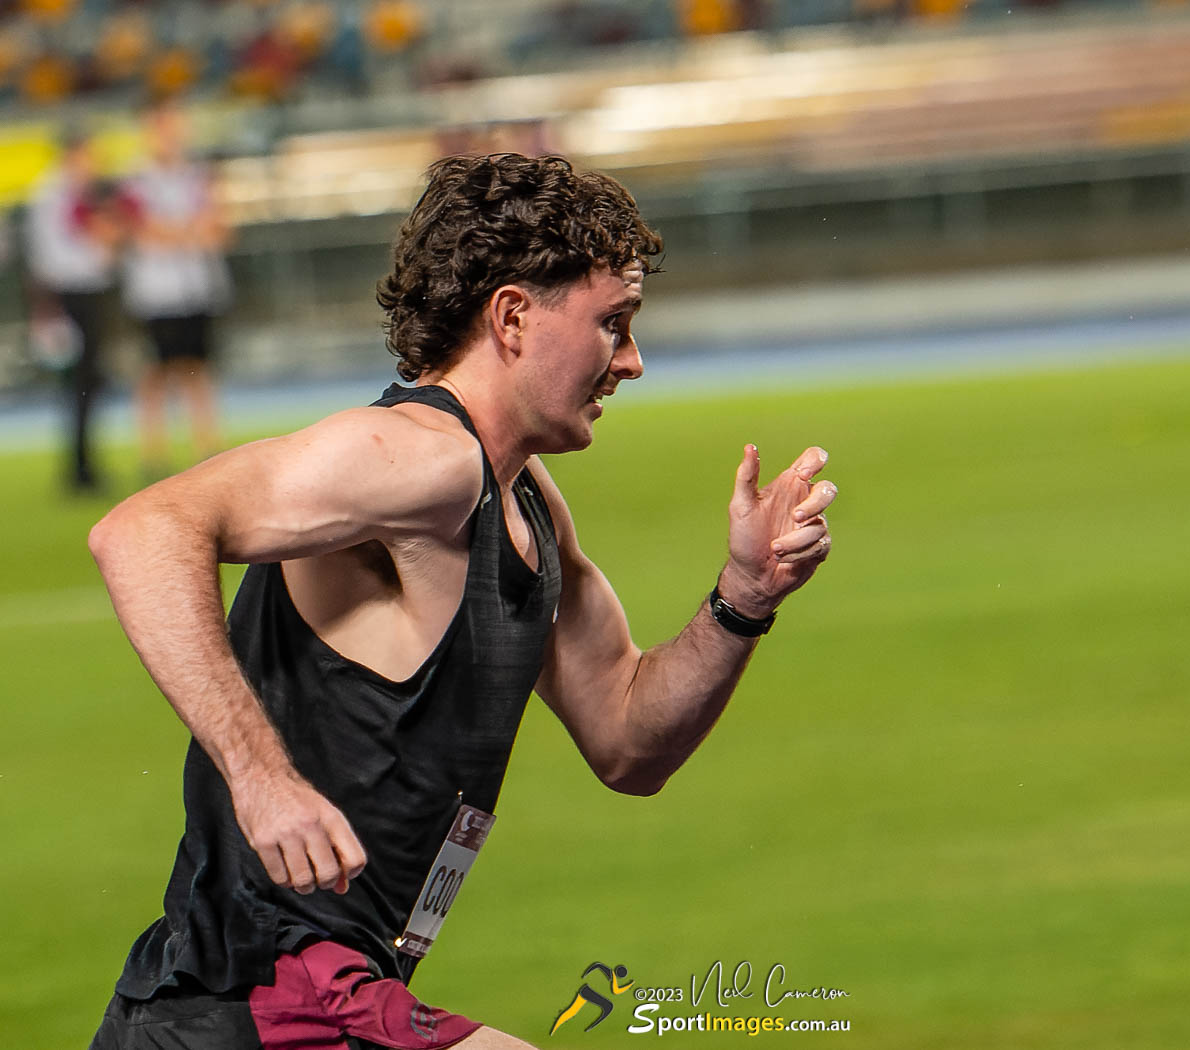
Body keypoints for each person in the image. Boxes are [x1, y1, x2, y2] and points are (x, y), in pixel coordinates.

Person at [86, 153, 836, 1049]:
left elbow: (630, 743)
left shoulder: (525, 502)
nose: (632, 361)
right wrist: (263, 778)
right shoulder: (418, 460)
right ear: (513, 316)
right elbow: (141, 530)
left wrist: (743, 597)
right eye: (613, 323)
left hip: (316, 991)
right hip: (260, 995)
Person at [120, 98, 232, 476]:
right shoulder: (136, 180)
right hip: (157, 291)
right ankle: (153, 450)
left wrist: (179, 232)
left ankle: (206, 444)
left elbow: (219, 229)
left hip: (196, 287)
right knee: (158, 370)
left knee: (199, 367)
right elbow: (143, 233)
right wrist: (189, 231)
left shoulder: (196, 176)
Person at [23, 128, 122, 492]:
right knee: (80, 383)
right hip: (69, 294)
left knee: (89, 383)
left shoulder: (81, 194)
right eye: (89, 156)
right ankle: (79, 468)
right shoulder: (51, 195)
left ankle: (85, 463)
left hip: (86, 291)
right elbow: (49, 257)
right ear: (73, 155)